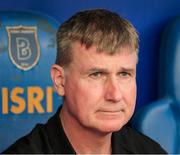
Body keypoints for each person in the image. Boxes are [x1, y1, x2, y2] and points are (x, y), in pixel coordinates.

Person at [3, 9, 167, 154]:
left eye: (124, 74)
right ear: (60, 81)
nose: (115, 95)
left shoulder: (150, 151)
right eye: (96, 74)